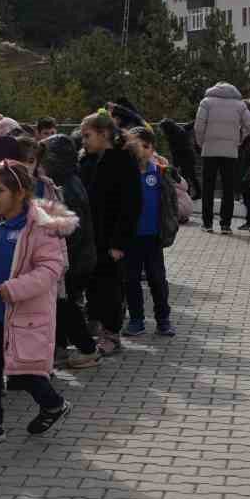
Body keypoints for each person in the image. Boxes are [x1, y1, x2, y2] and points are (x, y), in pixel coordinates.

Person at [0, 161, 74, 447]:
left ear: (21, 192)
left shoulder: (39, 227)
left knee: (24, 372)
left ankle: (53, 404)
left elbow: (51, 269)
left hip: (23, 316)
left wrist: (15, 288)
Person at [77, 110, 138, 357]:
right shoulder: (86, 160)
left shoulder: (122, 161)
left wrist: (119, 243)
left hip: (110, 238)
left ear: (104, 134)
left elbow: (131, 205)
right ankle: (95, 326)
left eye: (87, 135)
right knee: (92, 285)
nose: (84, 141)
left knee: (110, 286)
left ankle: (111, 333)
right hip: (89, 238)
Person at [38, 134, 99, 369]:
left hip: (74, 260)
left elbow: (71, 231)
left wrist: (57, 260)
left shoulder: (68, 189)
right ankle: (60, 347)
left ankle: (87, 349)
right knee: (63, 305)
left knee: (66, 307)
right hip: (78, 257)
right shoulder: (69, 181)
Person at [123, 129, 177, 336]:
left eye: (146, 146)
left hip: (153, 237)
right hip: (130, 237)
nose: (142, 151)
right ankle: (136, 320)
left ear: (153, 149)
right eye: (137, 146)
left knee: (157, 279)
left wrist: (169, 228)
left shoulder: (160, 173)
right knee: (131, 280)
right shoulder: (125, 174)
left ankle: (163, 319)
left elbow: (171, 204)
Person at [194, 81, 250, 235]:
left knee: (208, 188)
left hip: (209, 151)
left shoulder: (206, 102)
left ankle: (207, 223)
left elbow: (198, 126)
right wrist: (244, 139)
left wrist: (201, 143)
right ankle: (225, 225)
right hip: (230, 152)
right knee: (228, 189)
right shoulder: (239, 104)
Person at [158, 118, 200, 200]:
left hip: (184, 158)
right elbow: (189, 125)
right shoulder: (179, 130)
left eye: (162, 129)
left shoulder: (172, 136)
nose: (161, 131)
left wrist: (175, 165)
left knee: (185, 177)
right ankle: (196, 193)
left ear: (166, 128)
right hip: (189, 156)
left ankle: (188, 195)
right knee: (191, 176)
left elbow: (175, 151)